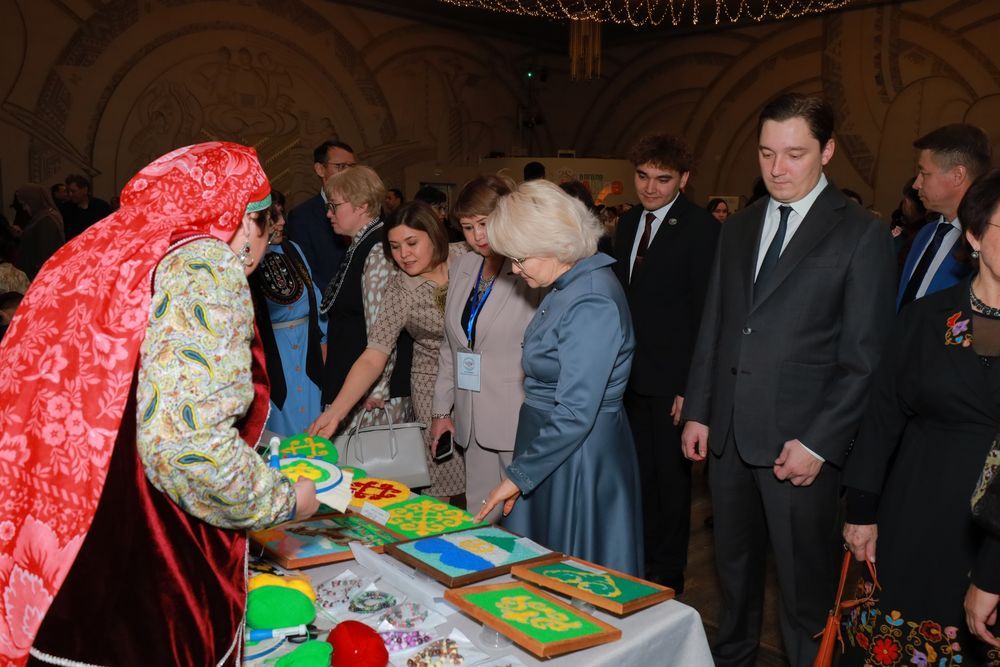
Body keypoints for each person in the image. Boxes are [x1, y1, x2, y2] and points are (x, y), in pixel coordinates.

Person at [0, 142, 320, 666]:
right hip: (150, 578)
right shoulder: (203, 265)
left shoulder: (92, 252)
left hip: (59, 563)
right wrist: (285, 500)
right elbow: (186, 448)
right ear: (246, 221)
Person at [681, 93, 897, 666]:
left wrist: (819, 444)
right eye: (766, 153)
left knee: (804, 596)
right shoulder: (739, 226)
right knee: (733, 580)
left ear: (826, 151)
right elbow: (716, 324)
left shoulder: (861, 234)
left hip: (800, 448)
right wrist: (700, 408)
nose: (777, 168)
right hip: (728, 439)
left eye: (794, 154)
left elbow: (865, 360)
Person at [840, 169, 1000, 667]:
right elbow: (883, 416)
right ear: (974, 235)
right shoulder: (927, 318)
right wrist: (861, 510)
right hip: (920, 512)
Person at [475, 180, 643, 576]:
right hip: (553, 448)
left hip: (577, 455)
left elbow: (575, 412)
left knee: (572, 575)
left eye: (519, 258)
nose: (514, 269)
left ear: (553, 244)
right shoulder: (568, 282)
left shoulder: (591, 298)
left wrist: (518, 476)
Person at [613, 134, 720, 593]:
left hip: (672, 381)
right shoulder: (626, 223)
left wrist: (689, 388)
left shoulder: (702, 228)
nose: (650, 187)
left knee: (670, 486)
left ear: (684, 179)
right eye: (643, 176)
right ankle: (637, 562)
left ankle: (668, 574)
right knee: (635, 478)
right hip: (626, 379)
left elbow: (706, 314)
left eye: (663, 178)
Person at [309, 201, 466, 501]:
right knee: (443, 477)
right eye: (395, 247)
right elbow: (373, 355)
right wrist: (337, 412)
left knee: (487, 472)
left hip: (481, 382)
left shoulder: (467, 259)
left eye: (411, 243)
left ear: (434, 236)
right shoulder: (400, 290)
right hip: (432, 385)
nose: (404, 254)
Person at [430, 175, 542, 519]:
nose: (478, 236)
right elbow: (452, 346)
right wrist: (441, 412)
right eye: (468, 227)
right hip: (471, 417)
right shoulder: (464, 265)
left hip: (516, 418)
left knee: (523, 523)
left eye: (485, 224)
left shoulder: (530, 270)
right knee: (477, 519)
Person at [316, 165, 413, 432]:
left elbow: (382, 329)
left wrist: (378, 388)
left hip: (371, 398)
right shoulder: (361, 244)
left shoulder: (378, 249)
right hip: (359, 387)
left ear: (362, 205)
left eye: (334, 206)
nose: (329, 213)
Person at [250, 201, 328, 436]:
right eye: (275, 217)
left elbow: (315, 298)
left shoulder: (293, 249)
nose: (283, 221)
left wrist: (324, 342)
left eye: (282, 214)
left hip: (308, 350)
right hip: (274, 356)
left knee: (315, 425)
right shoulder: (248, 260)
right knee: (281, 433)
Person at [897, 124, 990, 310]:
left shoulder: (986, 249)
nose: (916, 184)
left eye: (924, 173)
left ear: (957, 176)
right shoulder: (924, 233)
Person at [286, 140, 355, 293]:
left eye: (352, 167)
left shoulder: (368, 207)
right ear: (320, 169)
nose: (349, 173)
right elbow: (306, 272)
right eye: (341, 166)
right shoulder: (302, 217)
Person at [12, 184, 65, 279]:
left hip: (38, 275)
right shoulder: (42, 216)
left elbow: (45, 253)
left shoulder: (47, 220)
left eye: (25, 204)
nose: (24, 208)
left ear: (34, 200)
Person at [62, 173, 113, 241]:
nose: (70, 194)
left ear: (85, 190)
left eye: (73, 191)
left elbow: (111, 228)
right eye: (68, 192)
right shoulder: (67, 209)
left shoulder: (101, 206)